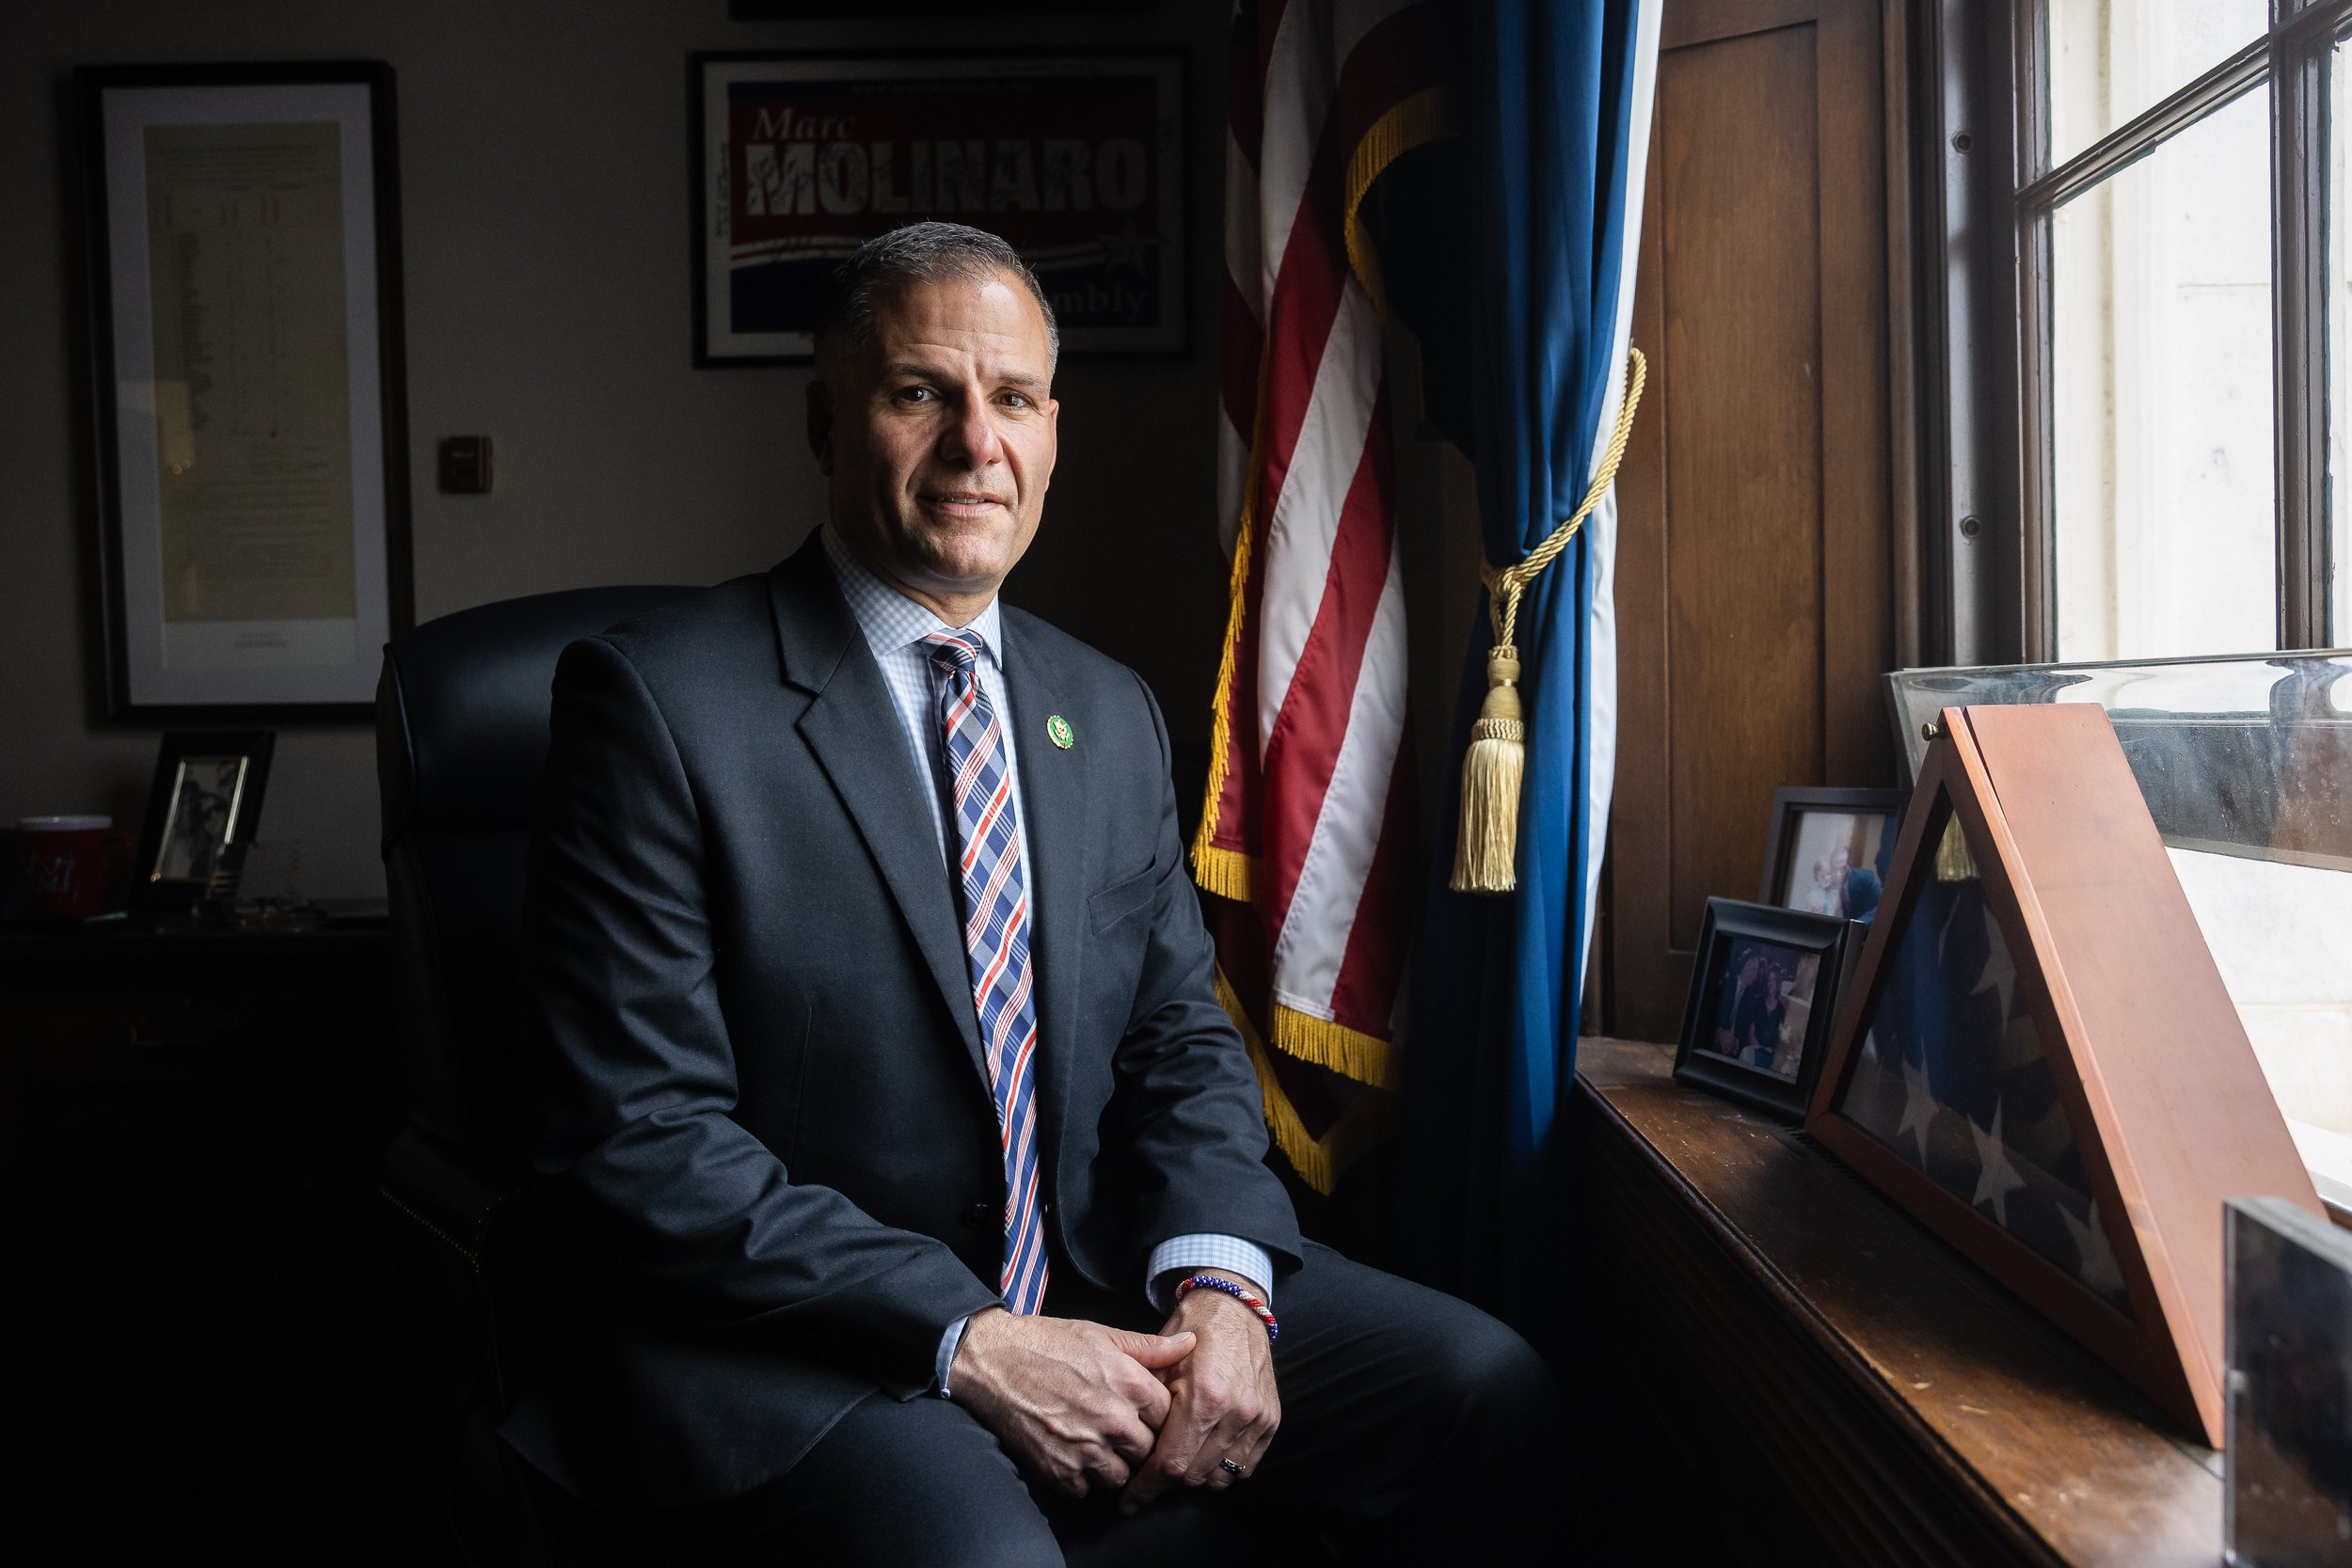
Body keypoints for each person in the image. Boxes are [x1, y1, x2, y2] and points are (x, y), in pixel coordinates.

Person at [509, 223, 1558, 1565]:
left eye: (1010, 400)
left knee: (1483, 1392)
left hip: (1095, 1272)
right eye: (916, 394)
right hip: (806, 1343)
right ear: (826, 422)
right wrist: (976, 1339)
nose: (973, 444)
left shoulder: (1102, 710)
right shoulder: (656, 704)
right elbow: (640, 1138)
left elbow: (1180, 1044)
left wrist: (1223, 1286)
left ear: (1053, 433)